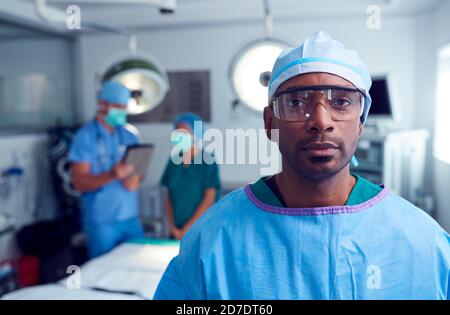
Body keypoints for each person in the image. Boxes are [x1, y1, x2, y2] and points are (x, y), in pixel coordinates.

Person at [154, 31, 450, 299]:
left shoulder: (424, 243)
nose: (321, 121)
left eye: (342, 102)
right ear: (270, 123)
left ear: (361, 122)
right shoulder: (212, 241)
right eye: (297, 102)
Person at [69, 81, 144, 259]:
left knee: (136, 265)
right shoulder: (85, 137)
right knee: (103, 274)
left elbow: (139, 170)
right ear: (102, 105)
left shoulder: (130, 135)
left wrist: (136, 178)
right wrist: (112, 175)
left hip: (130, 218)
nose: (122, 111)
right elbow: (78, 182)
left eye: (124, 107)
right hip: (102, 222)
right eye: (118, 106)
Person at [161, 112, 221, 240]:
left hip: (200, 229)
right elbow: (168, 197)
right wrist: (172, 227)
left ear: (196, 134)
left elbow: (209, 199)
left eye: (184, 132)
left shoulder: (207, 161)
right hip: (176, 232)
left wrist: (187, 229)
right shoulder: (173, 161)